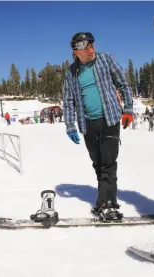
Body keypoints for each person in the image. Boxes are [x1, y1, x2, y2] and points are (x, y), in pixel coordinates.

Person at [62, 32, 134, 221]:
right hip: (88, 124)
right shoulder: (71, 72)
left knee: (108, 162)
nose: (92, 50)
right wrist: (70, 125)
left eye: (92, 45)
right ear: (76, 51)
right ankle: (103, 200)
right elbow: (68, 100)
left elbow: (123, 84)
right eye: (87, 48)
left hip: (109, 119)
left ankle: (108, 203)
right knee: (98, 163)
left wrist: (128, 109)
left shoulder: (105, 60)